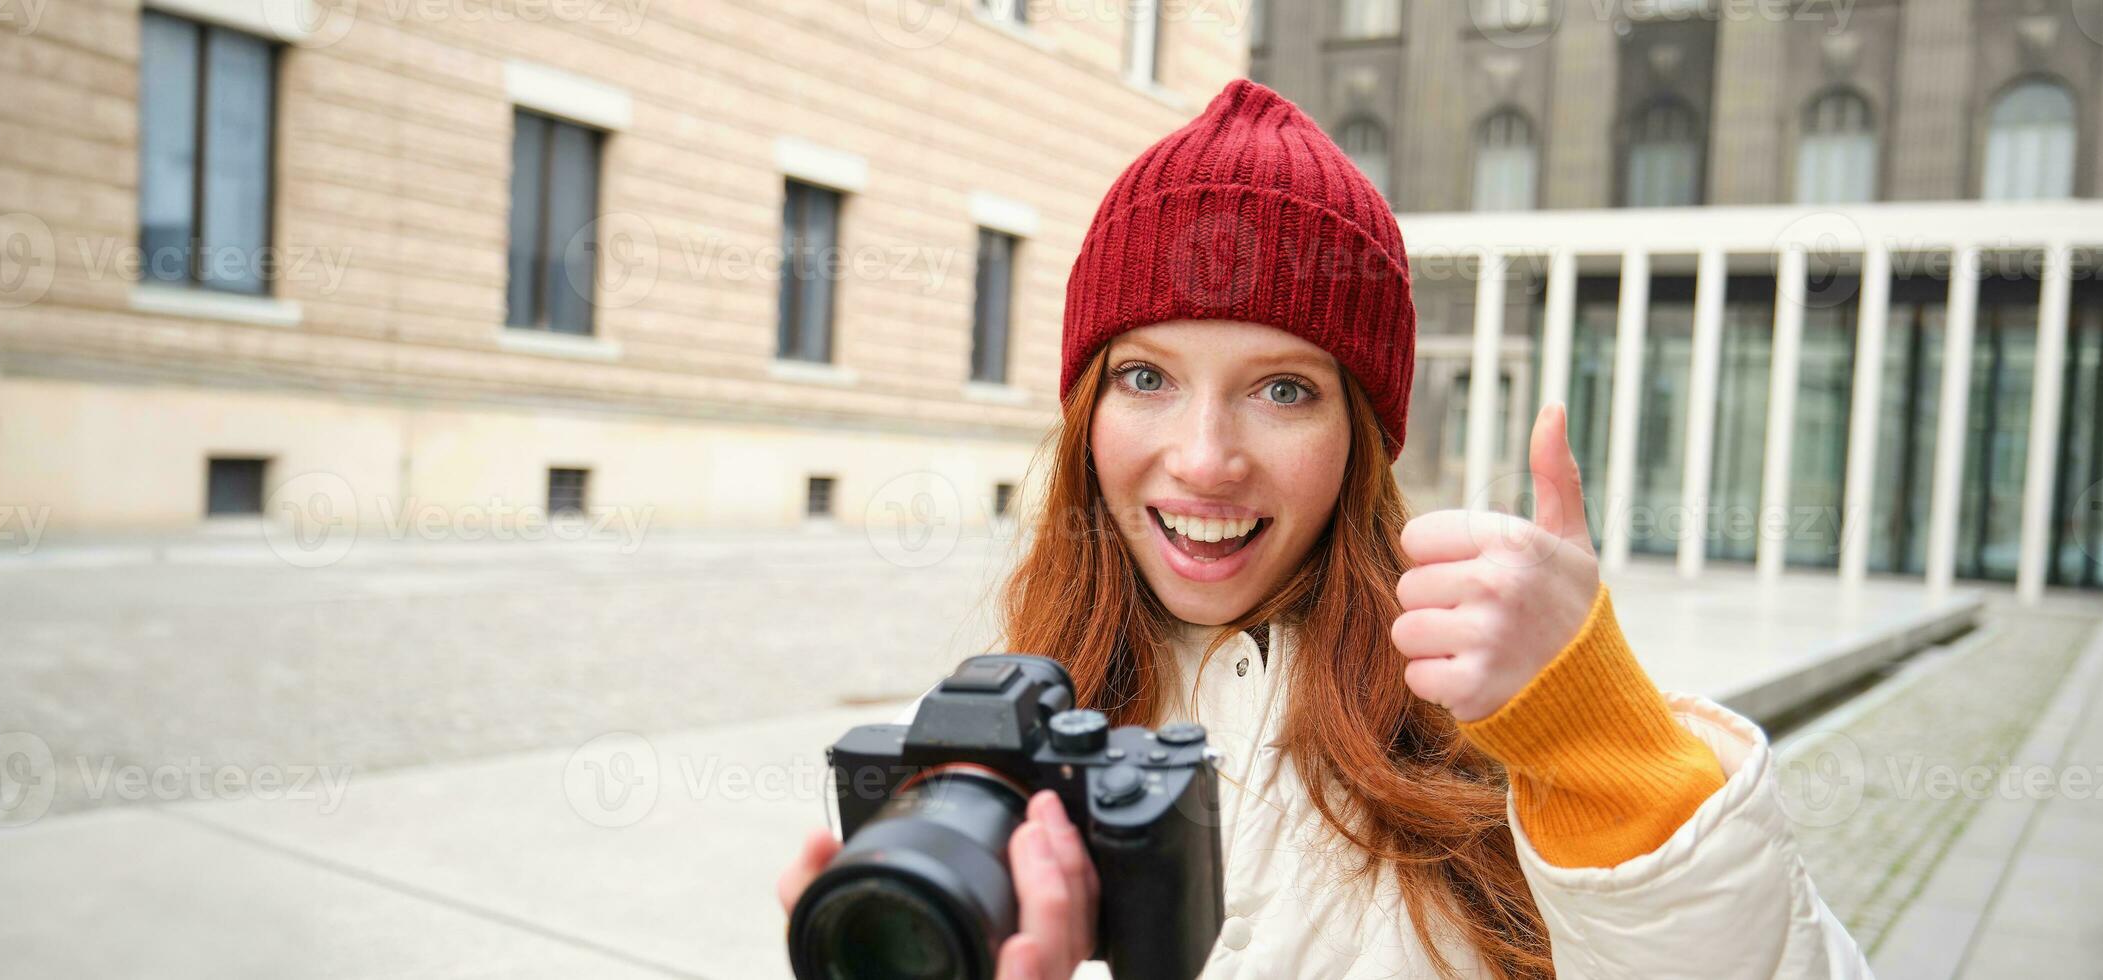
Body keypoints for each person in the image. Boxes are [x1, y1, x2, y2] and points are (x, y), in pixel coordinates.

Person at [779, 79, 1870, 979]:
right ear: (1084, 413)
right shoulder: (992, 747)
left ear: (1363, 434)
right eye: (1147, 374)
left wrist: (1601, 745)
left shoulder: (1485, 723)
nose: (1204, 456)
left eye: (1284, 390)